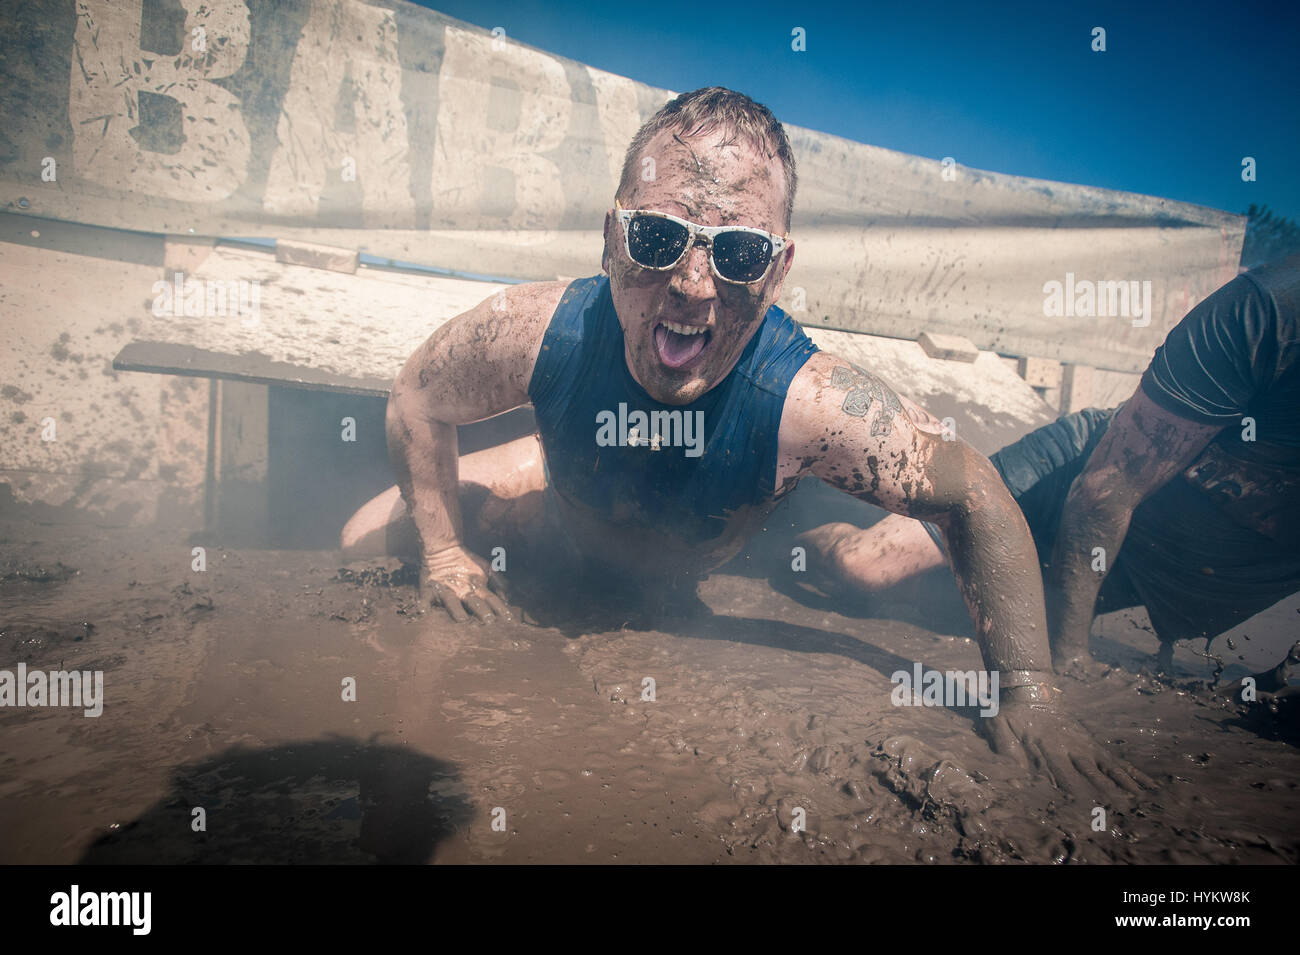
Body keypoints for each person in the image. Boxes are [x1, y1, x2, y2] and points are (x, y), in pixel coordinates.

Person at [342, 87, 1149, 796]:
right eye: (658, 239)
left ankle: (822, 530)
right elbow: (416, 393)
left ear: (779, 268)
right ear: (610, 236)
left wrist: (1030, 691)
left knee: (859, 566)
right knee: (359, 537)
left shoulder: (810, 402)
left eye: (737, 253)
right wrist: (445, 554)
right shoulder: (536, 331)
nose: (694, 286)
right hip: (563, 506)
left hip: (723, 543)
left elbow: (973, 491)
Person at [801, 253, 1300, 677]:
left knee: (957, 610)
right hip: (1082, 482)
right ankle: (799, 519)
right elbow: (1106, 488)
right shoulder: (1268, 313)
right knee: (867, 566)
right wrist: (1069, 655)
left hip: (1174, 557)